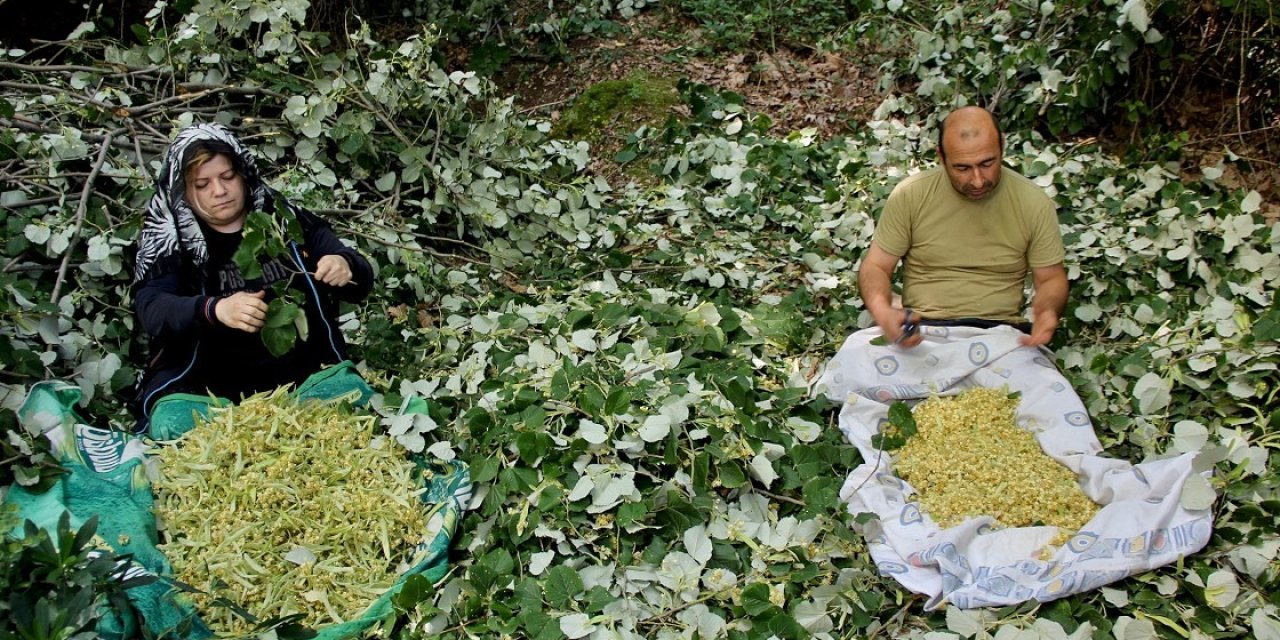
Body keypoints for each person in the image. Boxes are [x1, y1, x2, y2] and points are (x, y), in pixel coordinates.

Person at [130, 123, 374, 432]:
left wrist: (344, 265)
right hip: (206, 390)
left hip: (302, 378)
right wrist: (216, 310)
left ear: (243, 174)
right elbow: (152, 309)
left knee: (351, 406)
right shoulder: (172, 239)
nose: (219, 191)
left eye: (227, 177)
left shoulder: (284, 219)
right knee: (173, 425)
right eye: (202, 184)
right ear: (184, 192)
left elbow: (360, 279)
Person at [857, 106, 1068, 347]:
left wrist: (1048, 311)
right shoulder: (911, 195)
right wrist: (882, 310)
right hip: (923, 331)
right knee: (850, 366)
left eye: (988, 163)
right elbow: (876, 267)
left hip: (1000, 334)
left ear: (1002, 147)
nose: (978, 180)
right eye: (962, 168)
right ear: (941, 157)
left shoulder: (1034, 202)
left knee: (1045, 385)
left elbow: (1051, 279)